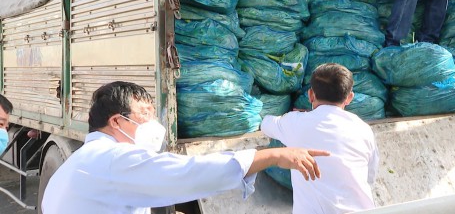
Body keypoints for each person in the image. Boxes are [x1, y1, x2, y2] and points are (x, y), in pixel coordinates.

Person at [41, 81, 329, 214]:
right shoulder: (113, 159)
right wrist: (273, 155)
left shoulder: (81, 162)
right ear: (117, 121)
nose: (154, 121)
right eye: (145, 113)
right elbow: (188, 173)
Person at [261, 63, 379, 214]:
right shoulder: (364, 129)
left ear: (310, 95)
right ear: (349, 98)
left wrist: (299, 116)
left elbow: (266, 124)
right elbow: (370, 177)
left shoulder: (295, 122)